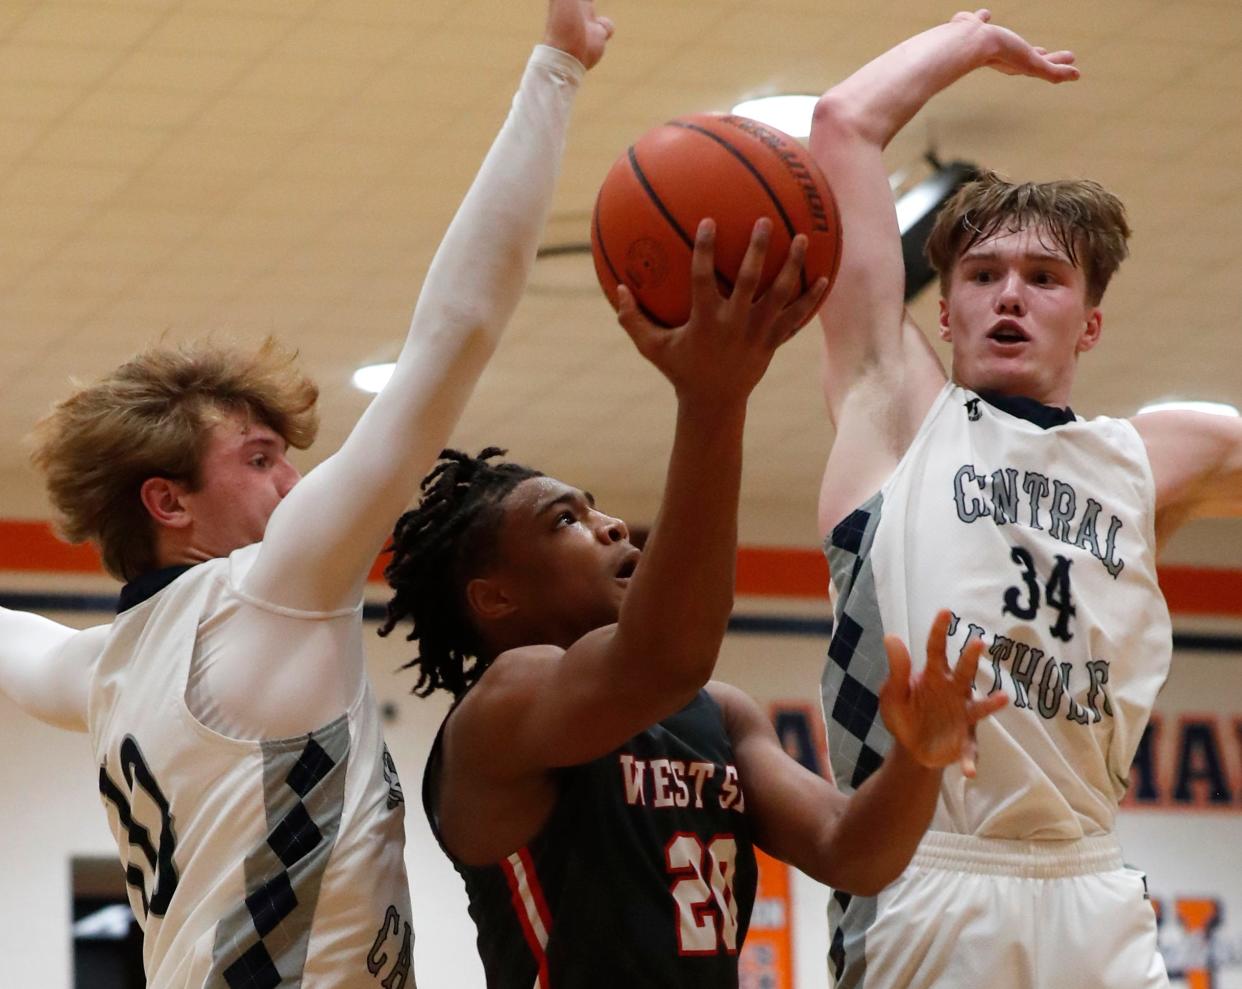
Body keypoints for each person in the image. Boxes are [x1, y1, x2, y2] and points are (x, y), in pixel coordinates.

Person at [0, 2, 613, 985]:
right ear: (169, 501)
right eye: (258, 458)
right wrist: (557, 70)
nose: (293, 481)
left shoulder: (96, 667)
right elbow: (454, 333)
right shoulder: (270, 592)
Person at [379, 219, 1007, 988]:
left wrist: (920, 758)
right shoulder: (500, 709)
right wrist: (712, 399)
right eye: (564, 520)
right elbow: (665, 656)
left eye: (595, 505)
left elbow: (854, 852)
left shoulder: (718, 712)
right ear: (496, 596)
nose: (607, 522)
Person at [807, 9, 1242, 988]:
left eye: (1042, 277)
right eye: (983, 275)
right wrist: (971, 40)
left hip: (1091, 880)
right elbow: (841, 128)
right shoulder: (897, 413)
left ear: (1088, 322)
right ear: (947, 306)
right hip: (928, 872)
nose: (1010, 295)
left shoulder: (1150, 456)